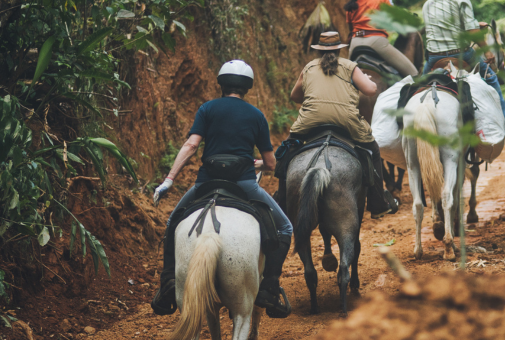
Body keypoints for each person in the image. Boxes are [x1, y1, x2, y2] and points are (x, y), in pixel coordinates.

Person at [151, 60, 293, 318]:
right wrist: (258, 163)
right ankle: (269, 288)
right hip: (245, 183)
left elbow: (191, 146)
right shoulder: (256, 115)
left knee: (173, 222)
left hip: (206, 182)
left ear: (221, 83)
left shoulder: (207, 109)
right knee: (285, 227)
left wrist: (170, 179)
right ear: (247, 87)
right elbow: (271, 163)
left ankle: (168, 286)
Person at [282, 31, 398, 218]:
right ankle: (377, 203)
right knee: (373, 151)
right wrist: (366, 81)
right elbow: (370, 90)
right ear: (339, 49)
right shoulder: (350, 66)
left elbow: (294, 97)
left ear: (319, 50)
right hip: (346, 121)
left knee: (286, 151)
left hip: (310, 121)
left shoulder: (309, 67)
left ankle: (282, 198)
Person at [421, 0, 505, 134]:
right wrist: (487, 50)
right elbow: (472, 32)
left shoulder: (427, 4)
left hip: (434, 57)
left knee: (418, 85)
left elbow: (442, 26)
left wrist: (474, 25)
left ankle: (404, 118)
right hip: (461, 54)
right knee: (491, 77)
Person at [345, 0, 418, 77]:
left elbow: (350, 28)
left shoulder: (351, 4)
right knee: (413, 73)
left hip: (355, 42)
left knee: (346, 76)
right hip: (376, 41)